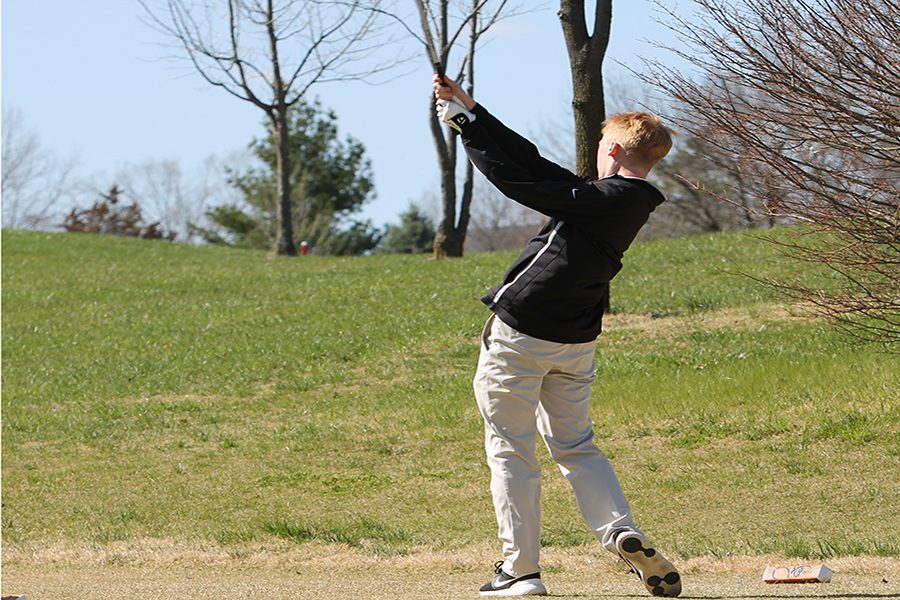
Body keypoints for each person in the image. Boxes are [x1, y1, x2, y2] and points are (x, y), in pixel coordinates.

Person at [432, 75, 681, 598]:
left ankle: (520, 571)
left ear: (611, 148)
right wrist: (473, 114)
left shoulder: (603, 197)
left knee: (511, 450)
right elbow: (538, 165)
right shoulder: (623, 198)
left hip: (522, 333)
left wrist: (465, 132)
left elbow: (522, 184)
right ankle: (621, 532)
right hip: (576, 343)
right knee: (576, 447)